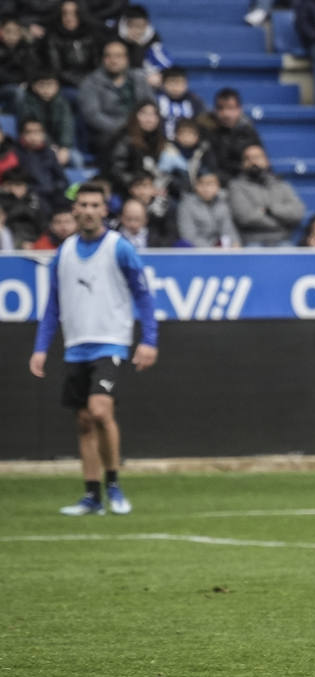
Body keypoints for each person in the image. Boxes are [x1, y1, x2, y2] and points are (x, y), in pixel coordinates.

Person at [28, 183, 158, 516]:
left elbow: (143, 294)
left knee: (101, 411)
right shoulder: (65, 252)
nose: (87, 210)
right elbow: (53, 305)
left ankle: (113, 484)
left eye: (94, 205)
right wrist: (41, 347)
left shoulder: (119, 248)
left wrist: (148, 339)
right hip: (75, 346)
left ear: (104, 210)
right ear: (75, 210)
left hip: (110, 340)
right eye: (82, 204)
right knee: (84, 421)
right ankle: (92, 496)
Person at [227, 143, 305, 247]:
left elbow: (297, 213)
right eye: (248, 158)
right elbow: (244, 217)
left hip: (282, 241)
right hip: (252, 241)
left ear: (266, 161)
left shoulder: (281, 185)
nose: (253, 162)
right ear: (243, 164)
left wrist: (270, 210)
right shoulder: (236, 186)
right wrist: (281, 223)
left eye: (257, 157)